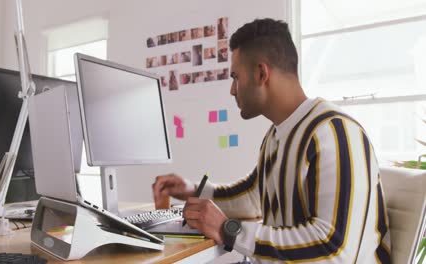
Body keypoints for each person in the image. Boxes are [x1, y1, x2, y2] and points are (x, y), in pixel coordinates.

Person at [152, 18, 390, 263]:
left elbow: (333, 249)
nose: (232, 90)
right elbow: (253, 198)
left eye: (235, 77)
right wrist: (193, 190)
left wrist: (228, 230)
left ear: (261, 73)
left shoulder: (335, 133)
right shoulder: (276, 136)